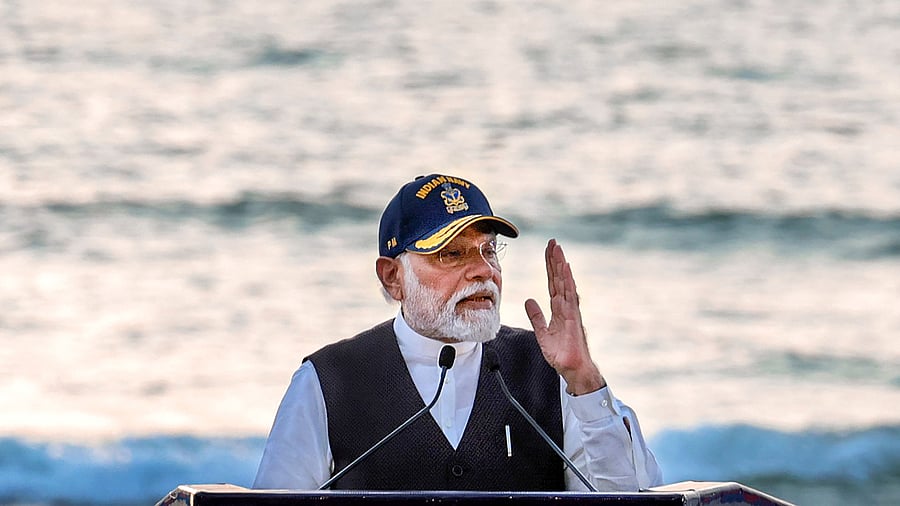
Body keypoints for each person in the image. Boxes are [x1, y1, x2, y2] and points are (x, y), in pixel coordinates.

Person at [253, 173, 662, 491]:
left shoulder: (553, 372)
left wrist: (585, 380)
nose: (483, 270)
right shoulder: (327, 382)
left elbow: (628, 500)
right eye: (452, 254)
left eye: (488, 250)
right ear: (393, 277)